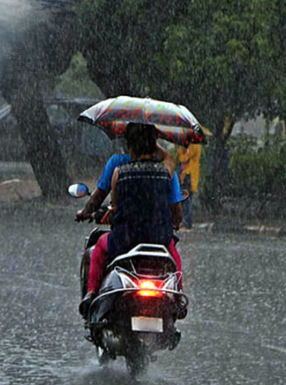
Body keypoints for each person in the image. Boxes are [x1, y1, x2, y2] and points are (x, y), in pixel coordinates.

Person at [76, 123, 184, 317]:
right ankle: (179, 296)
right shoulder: (165, 172)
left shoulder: (119, 172)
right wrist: (154, 142)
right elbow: (176, 208)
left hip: (125, 240)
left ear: (129, 146)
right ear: (153, 145)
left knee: (99, 248)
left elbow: (115, 208)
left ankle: (91, 294)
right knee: (174, 256)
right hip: (158, 238)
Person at [177, 144, 202, 230]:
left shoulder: (194, 144)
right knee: (184, 199)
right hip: (184, 174)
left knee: (187, 199)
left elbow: (184, 158)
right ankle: (184, 221)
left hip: (189, 174)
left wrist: (182, 150)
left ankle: (186, 223)